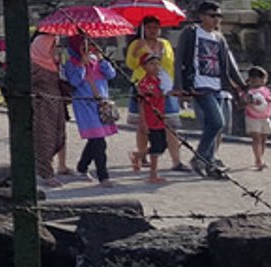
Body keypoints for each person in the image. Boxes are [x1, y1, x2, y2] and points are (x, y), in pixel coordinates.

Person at [176, 1, 246, 178]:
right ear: (202, 16)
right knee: (217, 122)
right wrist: (180, 87)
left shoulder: (219, 38)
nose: (216, 19)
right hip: (200, 86)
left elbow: (229, 65)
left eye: (219, 16)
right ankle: (200, 158)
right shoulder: (191, 33)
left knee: (214, 127)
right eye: (212, 15)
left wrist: (242, 85)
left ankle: (210, 162)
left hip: (217, 86)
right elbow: (179, 61)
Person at [124, 16, 186, 173]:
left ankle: (176, 160)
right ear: (143, 29)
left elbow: (170, 64)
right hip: (143, 85)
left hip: (164, 87)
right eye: (149, 27)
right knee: (143, 123)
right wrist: (138, 52)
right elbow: (130, 64)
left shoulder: (165, 44)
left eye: (155, 27)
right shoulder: (136, 43)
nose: (153, 31)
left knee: (171, 124)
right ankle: (142, 153)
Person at [63, 33, 118, 187]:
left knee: (95, 139)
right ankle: (103, 176)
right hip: (85, 106)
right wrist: (81, 64)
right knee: (99, 141)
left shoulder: (96, 61)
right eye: (82, 46)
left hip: (101, 105)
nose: (86, 49)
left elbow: (111, 74)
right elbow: (74, 81)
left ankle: (82, 166)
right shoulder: (71, 63)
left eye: (88, 45)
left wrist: (102, 61)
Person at [30, 33, 70, 187]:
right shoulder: (36, 66)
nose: (57, 50)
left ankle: (44, 169)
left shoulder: (52, 64)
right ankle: (44, 173)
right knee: (44, 137)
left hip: (55, 105)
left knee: (58, 136)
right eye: (54, 46)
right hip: (42, 106)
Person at [133, 53, 171, 183]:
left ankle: (138, 155)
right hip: (150, 119)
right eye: (151, 64)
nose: (155, 66)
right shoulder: (144, 84)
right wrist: (143, 121)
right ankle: (153, 174)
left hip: (159, 118)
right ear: (144, 67)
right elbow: (142, 104)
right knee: (156, 146)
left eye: (157, 63)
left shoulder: (160, 81)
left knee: (163, 145)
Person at [243, 66, 271, 170]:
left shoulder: (265, 90)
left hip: (265, 116)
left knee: (264, 138)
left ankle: (261, 157)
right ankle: (258, 160)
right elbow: (243, 101)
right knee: (256, 138)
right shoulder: (248, 91)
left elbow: (269, 99)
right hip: (253, 116)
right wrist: (249, 101)